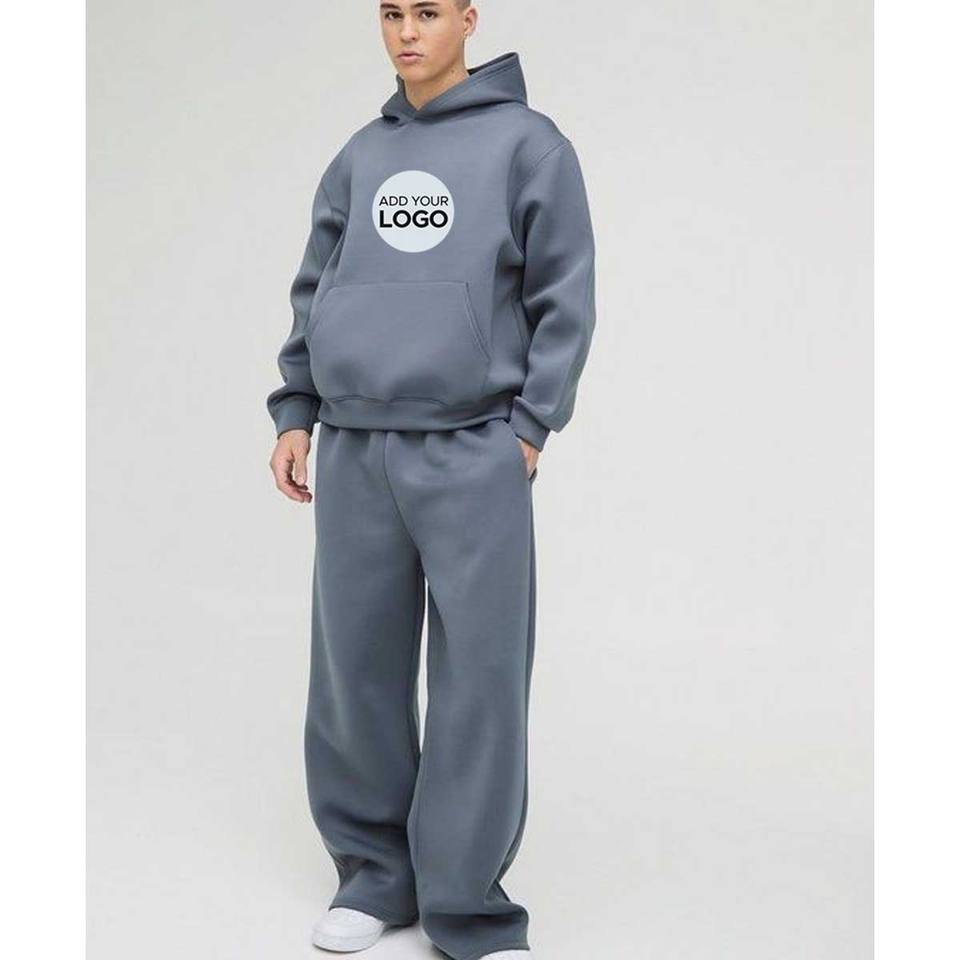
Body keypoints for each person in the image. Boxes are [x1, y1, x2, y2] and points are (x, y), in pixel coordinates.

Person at [266, 3, 596, 958]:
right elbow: (315, 285)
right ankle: (374, 875)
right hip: (356, 444)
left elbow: (565, 290)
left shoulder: (530, 146)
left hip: (471, 446)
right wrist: (297, 408)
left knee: (479, 680)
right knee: (355, 669)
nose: (407, 31)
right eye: (391, 13)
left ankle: (468, 908)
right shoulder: (361, 155)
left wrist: (530, 423)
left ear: (467, 19)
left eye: (428, 11)